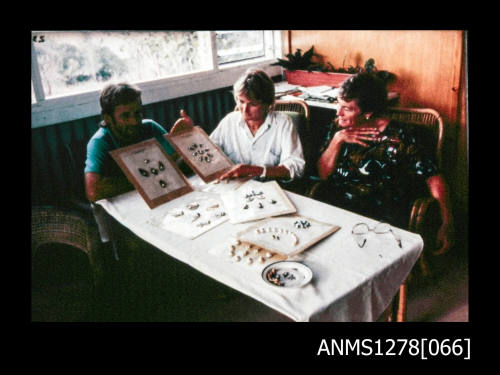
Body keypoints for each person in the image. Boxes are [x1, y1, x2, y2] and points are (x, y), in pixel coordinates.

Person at [316, 72, 454, 255]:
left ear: (368, 113)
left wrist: (447, 222)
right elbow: (322, 174)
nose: (338, 113)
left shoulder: (402, 137)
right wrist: (337, 140)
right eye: (338, 104)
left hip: (381, 215)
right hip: (338, 206)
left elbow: (433, 178)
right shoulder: (338, 128)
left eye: (347, 108)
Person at [85, 82, 192, 203]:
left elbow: (177, 163)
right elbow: (93, 191)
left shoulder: (150, 127)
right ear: (108, 118)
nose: (134, 121)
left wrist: (183, 141)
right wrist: (146, 177)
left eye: (137, 113)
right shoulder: (99, 142)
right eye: (125, 116)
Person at [210, 68, 305, 181]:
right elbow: (208, 153)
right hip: (233, 186)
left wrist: (255, 170)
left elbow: (296, 168)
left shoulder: (283, 123)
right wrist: (190, 134)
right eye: (241, 101)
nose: (245, 109)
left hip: (270, 188)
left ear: (267, 103)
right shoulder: (229, 121)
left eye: (253, 104)